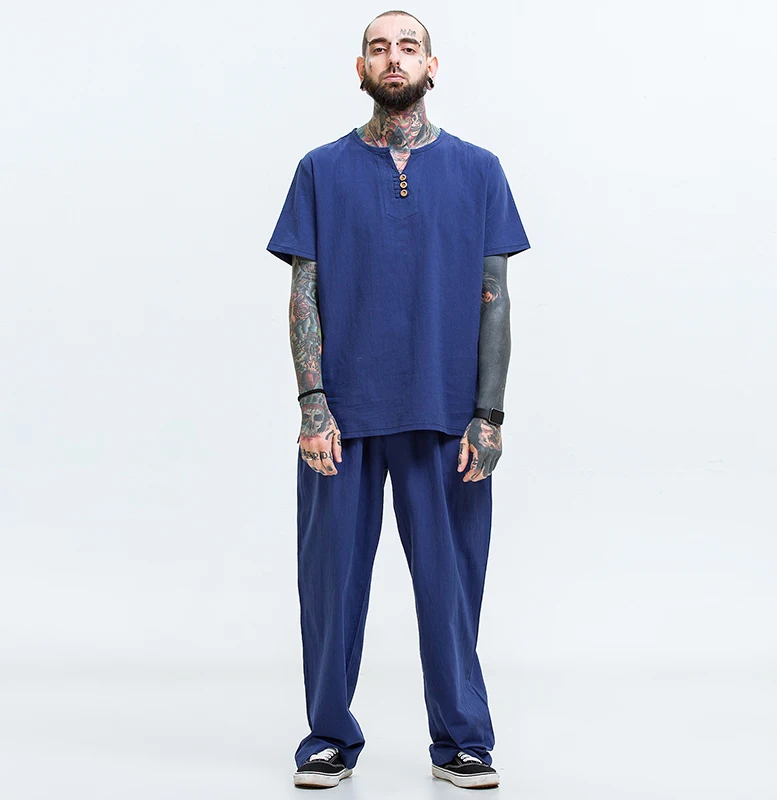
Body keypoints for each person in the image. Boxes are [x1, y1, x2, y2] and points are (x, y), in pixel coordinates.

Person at [266, 9, 530, 790]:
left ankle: (462, 741)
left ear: (431, 66)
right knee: (330, 586)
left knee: (451, 588)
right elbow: (303, 293)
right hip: (343, 418)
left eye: (407, 46)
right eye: (378, 48)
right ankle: (327, 736)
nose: (394, 58)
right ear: (360, 69)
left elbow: (494, 298)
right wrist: (313, 403)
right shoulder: (320, 170)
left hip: (446, 413)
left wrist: (489, 414)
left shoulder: (480, 170)